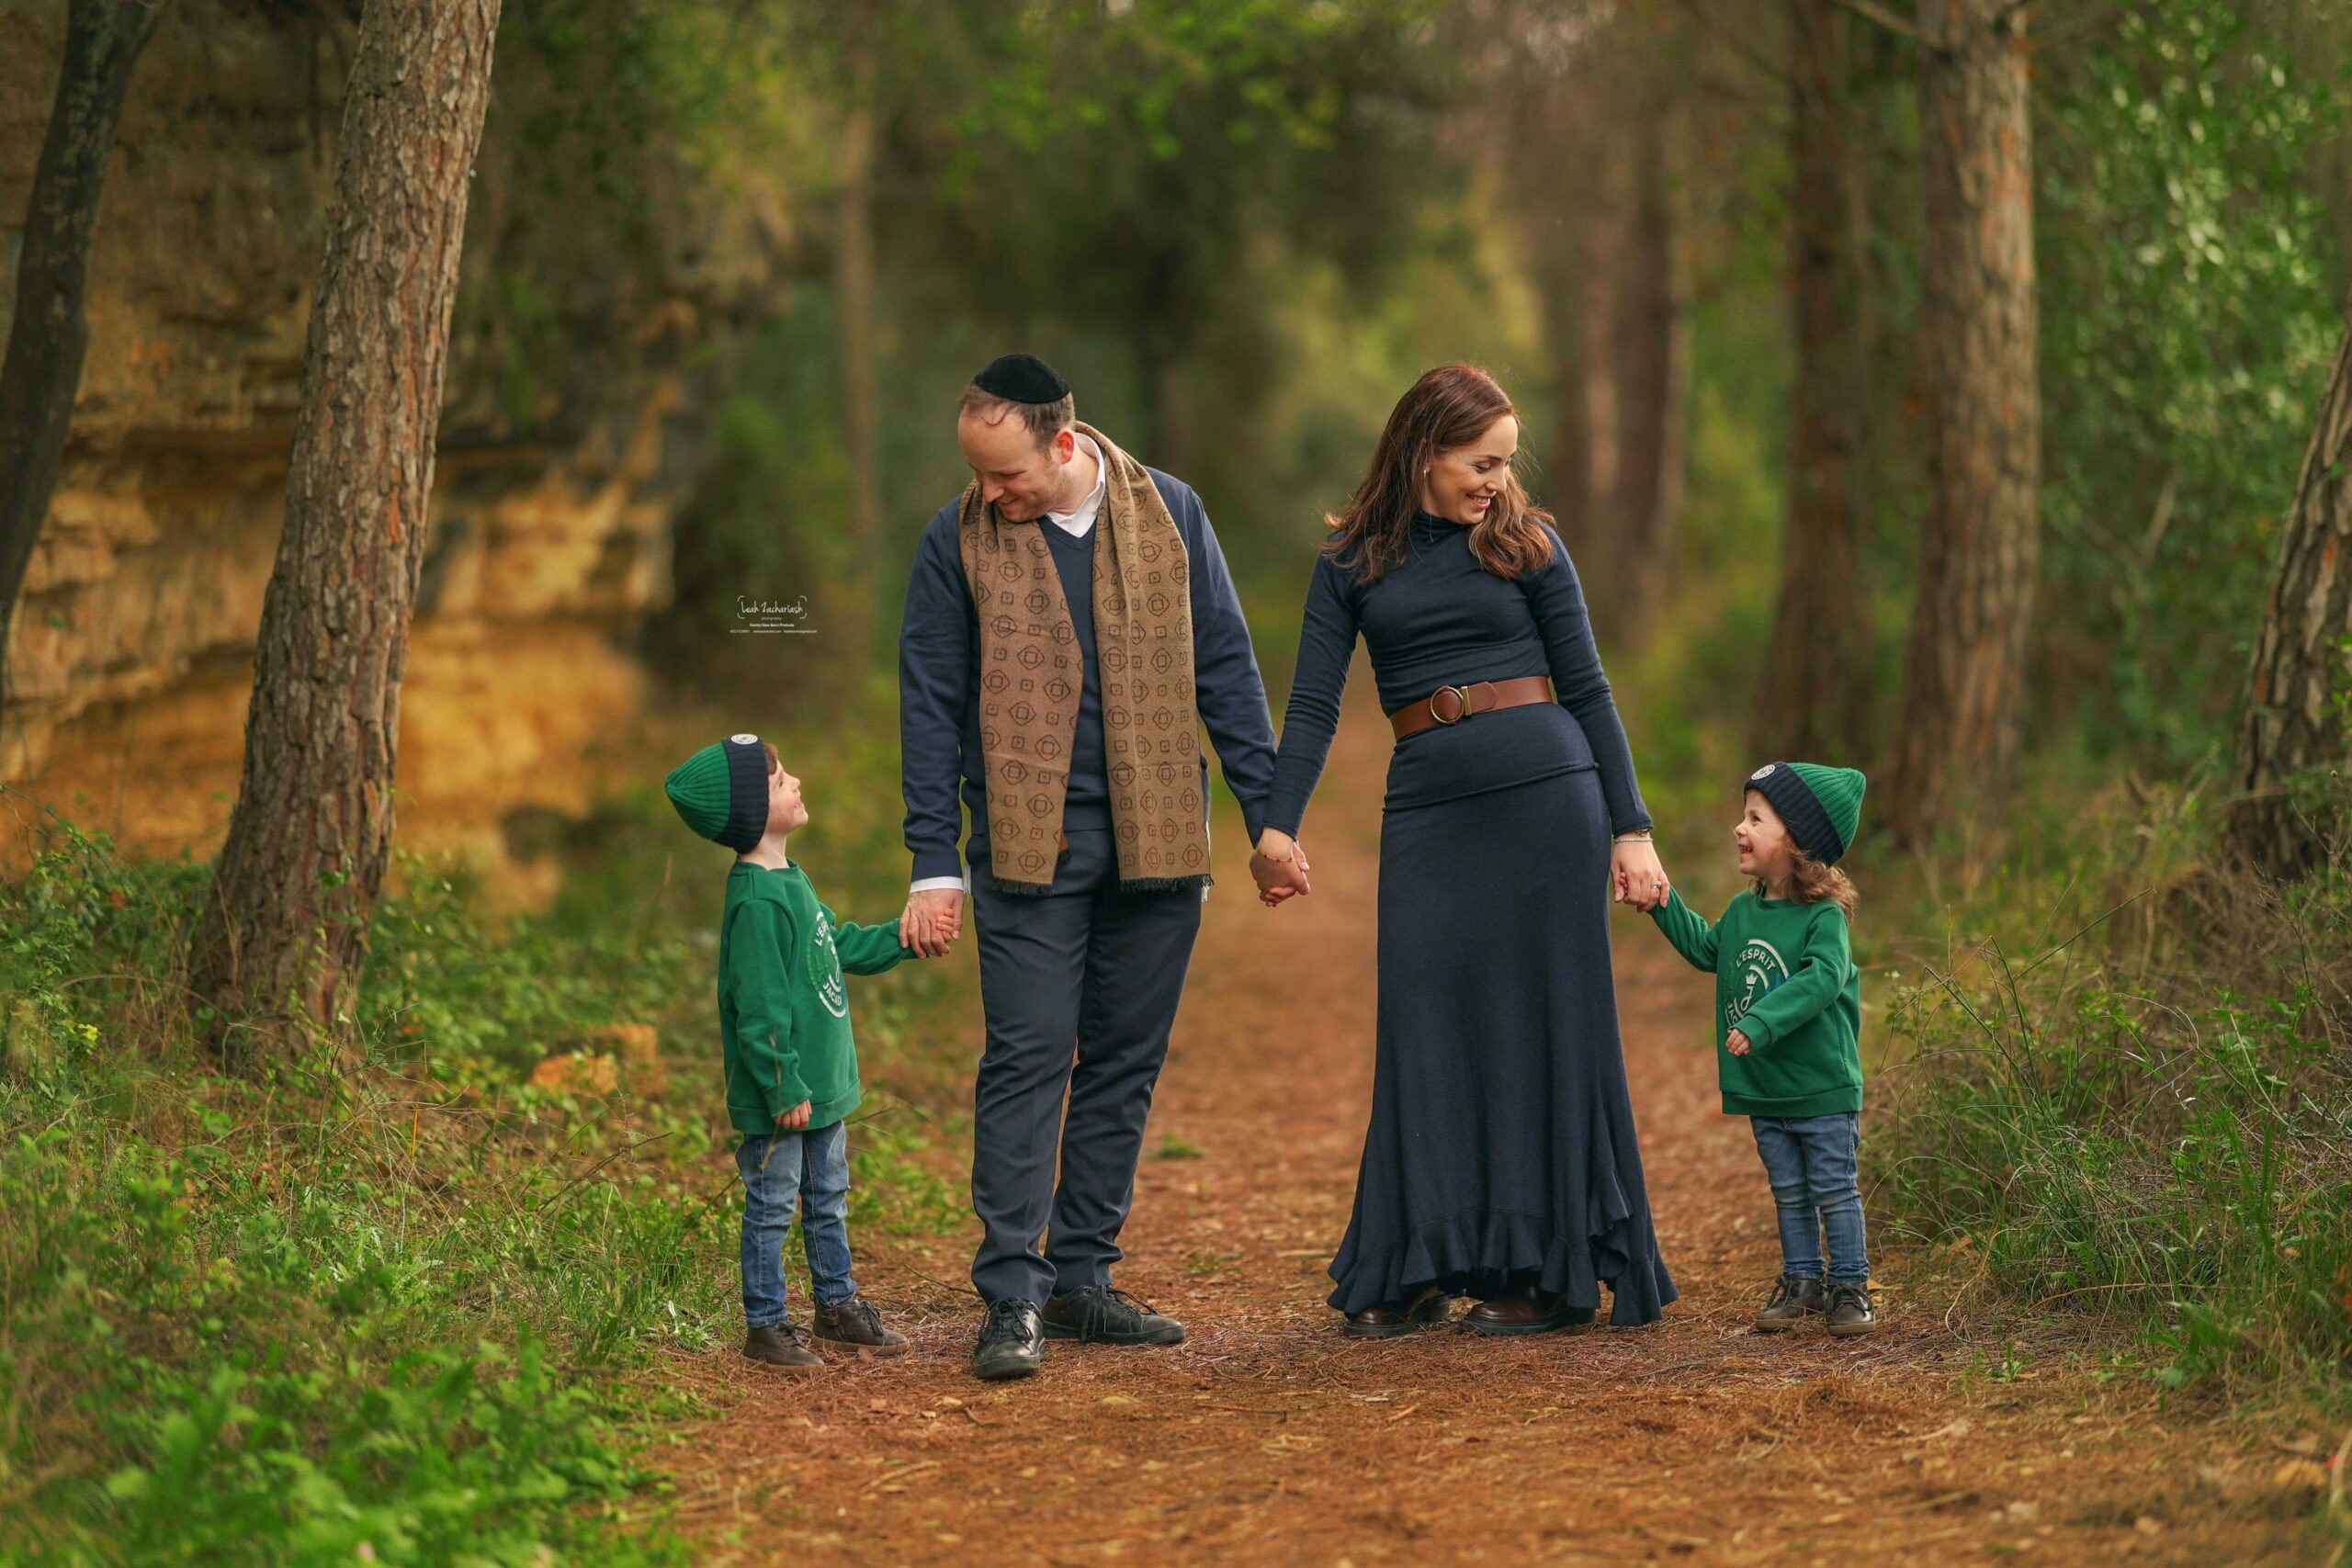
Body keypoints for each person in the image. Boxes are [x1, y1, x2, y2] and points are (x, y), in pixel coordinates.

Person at [1254, 363, 1677, 1337]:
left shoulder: (1528, 546)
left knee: (1540, 1026)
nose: (1497, 481)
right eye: (1481, 463)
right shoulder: (1350, 562)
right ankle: (1418, 1262)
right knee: (1425, 1023)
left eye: (1506, 462)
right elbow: (1312, 704)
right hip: (1429, 809)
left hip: (1547, 800)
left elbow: (1589, 687)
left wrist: (1633, 827)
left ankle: (1542, 1274)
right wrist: (1278, 824)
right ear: (1423, 451)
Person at [896, 354, 1281, 1381]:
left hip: (1159, 840)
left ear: (1063, 444)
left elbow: (1225, 667)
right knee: (1026, 1057)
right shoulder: (954, 541)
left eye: (1006, 474)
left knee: (1121, 1062)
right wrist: (933, 859)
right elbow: (929, 702)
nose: (989, 494)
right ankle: (1012, 1294)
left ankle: (1081, 1279)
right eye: (977, 474)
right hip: (1029, 846)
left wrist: (1269, 816)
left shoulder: (1172, 515)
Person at [664, 733, 922, 1369]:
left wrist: (904, 938)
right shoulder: (756, 901)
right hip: (784, 1097)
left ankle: (836, 1306)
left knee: (828, 1197)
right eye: (781, 782)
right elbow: (758, 1009)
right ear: (755, 811)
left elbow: (837, 944)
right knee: (774, 1205)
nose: (797, 781)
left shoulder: (791, 879)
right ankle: (766, 1324)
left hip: (822, 1088)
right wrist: (783, 1085)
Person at [1645, 761, 1875, 1336]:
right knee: (1789, 1192)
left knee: (1833, 1189)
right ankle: (1802, 1281)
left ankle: (1849, 1285)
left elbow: (1823, 978)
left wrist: (1761, 1021)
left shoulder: (1823, 917)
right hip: (1768, 1087)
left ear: (1797, 840)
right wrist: (1661, 900)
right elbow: (1707, 950)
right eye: (1742, 815)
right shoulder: (1744, 911)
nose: (1738, 828)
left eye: (1755, 818)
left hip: (1821, 1086)